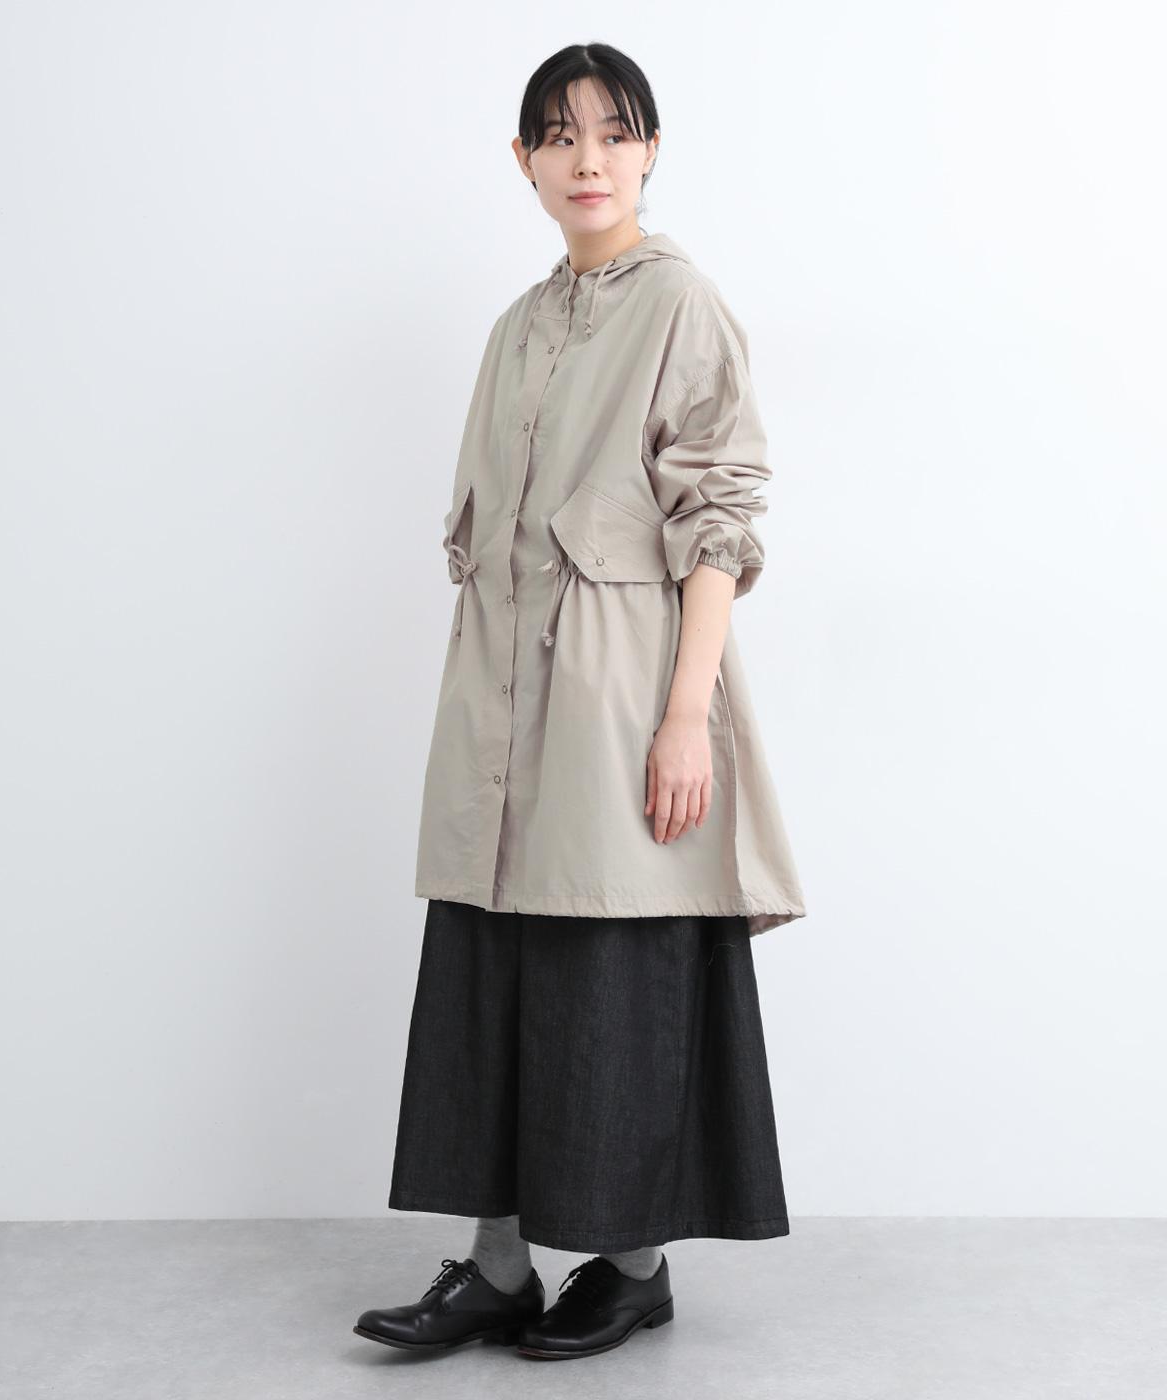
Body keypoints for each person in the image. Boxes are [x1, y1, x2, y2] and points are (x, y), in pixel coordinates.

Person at [353, 42, 806, 1362]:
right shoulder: (518, 326)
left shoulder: (682, 306)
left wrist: (685, 714)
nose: (588, 159)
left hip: (620, 701)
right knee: (489, 968)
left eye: (613, 132)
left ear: (651, 150)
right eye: (559, 136)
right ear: (525, 161)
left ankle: (633, 1267)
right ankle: (496, 1267)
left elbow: (720, 522)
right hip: (497, 708)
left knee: (615, 970)